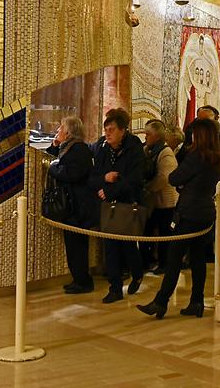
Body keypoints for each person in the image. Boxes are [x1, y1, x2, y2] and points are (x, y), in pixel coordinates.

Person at [137, 119, 220, 319]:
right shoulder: (217, 156)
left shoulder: (196, 156)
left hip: (189, 212)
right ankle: (197, 301)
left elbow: (174, 178)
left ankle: (161, 302)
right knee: (197, 258)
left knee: (174, 258)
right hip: (205, 211)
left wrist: (183, 185)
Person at [88, 108, 146, 303]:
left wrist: (112, 189)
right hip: (107, 205)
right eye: (106, 130)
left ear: (123, 130)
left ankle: (137, 273)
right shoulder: (102, 147)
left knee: (128, 245)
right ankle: (115, 288)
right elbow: (93, 177)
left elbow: (136, 178)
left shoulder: (134, 146)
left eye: (112, 129)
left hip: (127, 203)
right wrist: (104, 179)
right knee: (110, 246)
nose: (108, 133)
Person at [46, 116, 95, 293]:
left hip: (77, 206)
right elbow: (53, 157)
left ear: (68, 131)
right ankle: (79, 279)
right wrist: (54, 146)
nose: (58, 130)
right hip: (74, 204)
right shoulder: (68, 148)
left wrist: (53, 168)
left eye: (61, 128)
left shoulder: (79, 149)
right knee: (74, 245)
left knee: (77, 246)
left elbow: (73, 173)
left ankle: (83, 281)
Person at [141, 120, 178, 274]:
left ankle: (164, 263)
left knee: (164, 234)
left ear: (156, 136)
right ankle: (147, 260)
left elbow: (164, 178)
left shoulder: (165, 152)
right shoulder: (147, 150)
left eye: (148, 134)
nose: (145, 136)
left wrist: (147, 188)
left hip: (166, 201)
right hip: (153, 201)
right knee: (147, 231)